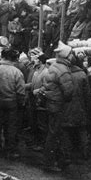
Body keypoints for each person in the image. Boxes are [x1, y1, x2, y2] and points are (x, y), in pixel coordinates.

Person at [36, 41, 74, 172]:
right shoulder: (63, 70)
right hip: (58, 104)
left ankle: (54, 159)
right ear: (67, 56)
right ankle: (50, 162)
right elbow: (68, 91)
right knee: (54, 134)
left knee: (53, 133)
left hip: (51, 103)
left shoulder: (53, 66)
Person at [0, 48, 26, 158]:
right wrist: (21, 103)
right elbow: (21, 90)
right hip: (12, 103)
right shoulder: (17, 72)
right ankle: (10, 150)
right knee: (11, 127)